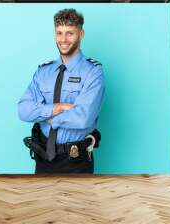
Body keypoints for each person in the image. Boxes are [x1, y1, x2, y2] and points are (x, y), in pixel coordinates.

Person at [18, 8, 105, 174]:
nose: (63, 39)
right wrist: (57, 108)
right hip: (43, 158)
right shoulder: (43, 72)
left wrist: (48, 117)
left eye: (70, 33)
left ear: (81, 34)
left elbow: (83, 118)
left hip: (76, 161)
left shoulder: (93, 71)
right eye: (59, 33)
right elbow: (23, 110)